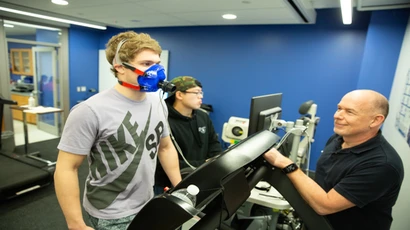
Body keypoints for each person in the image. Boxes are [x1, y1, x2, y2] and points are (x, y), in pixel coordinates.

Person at [54, 31, 182, 230]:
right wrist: (75, 223)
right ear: (120, 67)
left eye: (158, 63)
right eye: (147, 64)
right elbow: (66, 168)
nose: (157, 70)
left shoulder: (158, 102)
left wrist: (180, 188)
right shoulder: (90, 110)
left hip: (148, 201)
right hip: (111, 211)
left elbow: (165, 148)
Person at [264, 89, 404, 230]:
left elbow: (324, 206)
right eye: (339, 109)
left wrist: (286, 164)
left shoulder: (382, 165)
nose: (337, 116)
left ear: (376, 120)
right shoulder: (338, 139)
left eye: (350, 112)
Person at [154, 76, 222, 195]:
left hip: (200, 179)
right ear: (179, 95)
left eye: (201, 92)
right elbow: (161, 160)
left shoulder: (203, 117)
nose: (201, 96)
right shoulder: (163, 120)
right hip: (168, 185)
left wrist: (214, 162)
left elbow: (214, 145)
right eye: (196, 93)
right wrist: (204, 163)